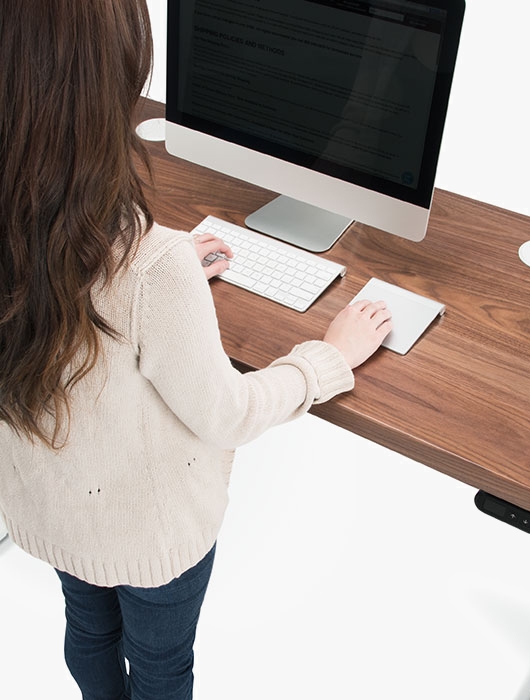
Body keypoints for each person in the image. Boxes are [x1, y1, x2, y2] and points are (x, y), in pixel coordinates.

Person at [0, 1, 392, 698]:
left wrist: (168, 262)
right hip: (153, 545)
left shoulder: (73, 246)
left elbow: (74, 290)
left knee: (88, 632)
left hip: (51, 510)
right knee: (160, 666)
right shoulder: (148, 269)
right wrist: (327, 358)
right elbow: (228, 414)